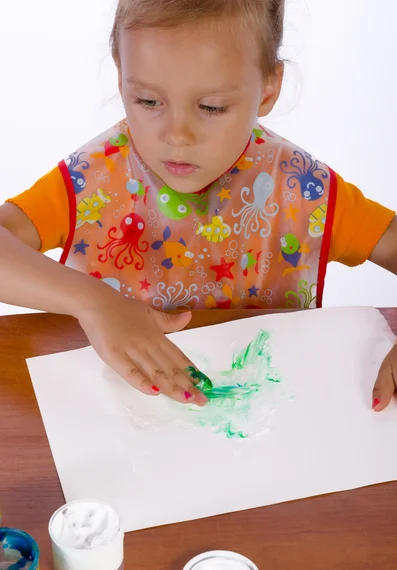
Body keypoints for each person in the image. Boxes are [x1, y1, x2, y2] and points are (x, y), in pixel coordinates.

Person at [1, 0, 396, 411]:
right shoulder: (93, 179)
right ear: (121, 77)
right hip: (115, 424)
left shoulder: (301, 188)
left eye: (211, 107)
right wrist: (94, 302)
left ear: (268, 88)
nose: (177, 135)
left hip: (269, 432)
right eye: (148, 101)